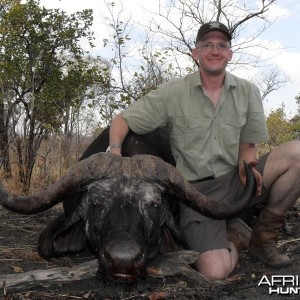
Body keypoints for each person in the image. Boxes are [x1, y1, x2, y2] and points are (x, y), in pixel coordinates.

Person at [106, 21, 300, 280]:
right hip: (196, 193)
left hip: (236, 180)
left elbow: (248, 146)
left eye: (222, 45)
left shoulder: (247, 91)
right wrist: (115, 152)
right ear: (195, 54)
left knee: (297, 154)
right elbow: (122, 121)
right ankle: (237, 238)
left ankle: (264, 237)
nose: (215, 50)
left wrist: (248, 170)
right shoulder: (173, 92)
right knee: (214, 272)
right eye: (207, 45)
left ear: (230, 54)